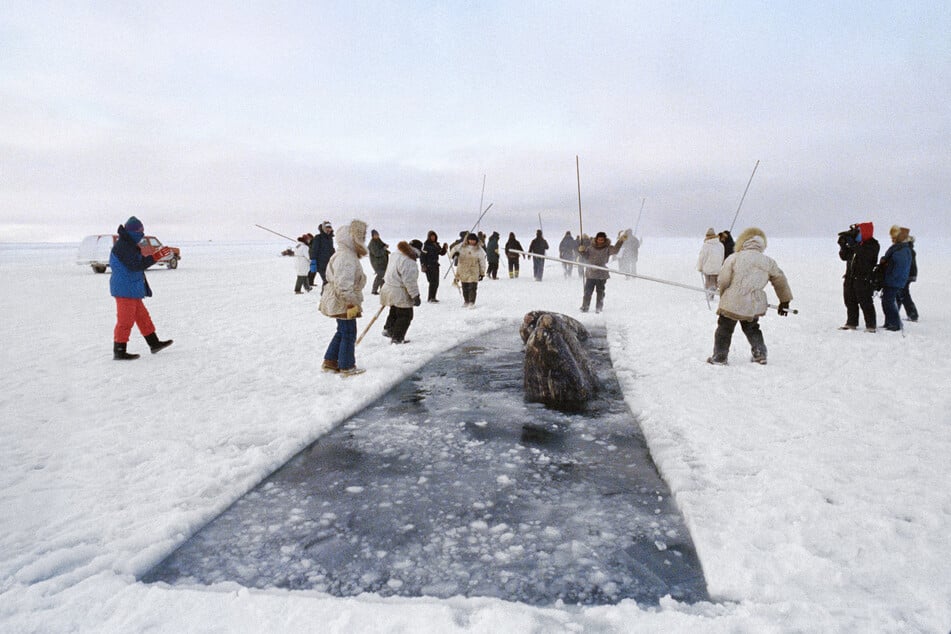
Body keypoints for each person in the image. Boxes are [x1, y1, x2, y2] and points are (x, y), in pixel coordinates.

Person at [707, 227, 792, 366]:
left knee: (724, 328)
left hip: (733, 301)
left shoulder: (734, 257)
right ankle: (760, 354)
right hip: (753, 303)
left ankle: (720, 357)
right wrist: (784, 301)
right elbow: (780, 280)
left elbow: (723, 279)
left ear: (743, 242)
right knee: (752, 328)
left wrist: (724, 294)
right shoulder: (768, 261)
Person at [109, 215, 174, 360]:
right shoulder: (123, 247)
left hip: (131, 288)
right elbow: (136, 266)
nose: (142, 235)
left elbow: (137, 263)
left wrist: (155, 256)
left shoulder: (128, 244)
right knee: (125, 321)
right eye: (140, 232)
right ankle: (119, 350)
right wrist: (156, 257)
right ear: (134, 232)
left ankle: (154, 343)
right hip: (124, 290)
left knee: (143, 318)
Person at [319, 219, 368, 376]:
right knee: (348, 333)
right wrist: (351, 303)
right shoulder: (346, 257)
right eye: (360, 237)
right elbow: (343, 286)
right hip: (343, 301)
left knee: (342, 331)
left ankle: (330, 361)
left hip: (341, 300)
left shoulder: (344, 255)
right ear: (351, 238)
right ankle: (347, 366)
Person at [836, 222, 879, 332]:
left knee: (865, 302)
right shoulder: (856, 244)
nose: (856, 235)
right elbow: (844, 257)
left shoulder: (873, 245)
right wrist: (843, 246)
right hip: (850, 277)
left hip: (863, 278)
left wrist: (852, 244)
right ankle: (851, 322)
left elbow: (865, 255)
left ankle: (871, 325)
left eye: (858, 232)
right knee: (850, 301)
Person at [380, 239, 422, 344]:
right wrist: (415, 295)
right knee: (405, 314)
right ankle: (397, 338)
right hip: (399, 290)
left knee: (395, 309)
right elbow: (409, 280)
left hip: (388, 287)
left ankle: (389, 329)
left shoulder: (395, 254)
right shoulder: (408, 261)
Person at [577, 230, 625, 313]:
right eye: (599, 240)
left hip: (601, 274)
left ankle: (599, 308)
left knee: (600, 292)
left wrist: (620, 241)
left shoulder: (608, 248)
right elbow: (586, 256)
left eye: (602, 240)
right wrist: (581, 251)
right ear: (596, 239)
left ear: (605, 240)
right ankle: (585, 307)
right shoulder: (590, 247)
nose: (600, 241)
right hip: (590, 273)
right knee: (587, 292)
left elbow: (616, 250)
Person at [877, 225, 913, 332]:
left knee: (888, 301)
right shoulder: (901, 248)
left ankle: (895, 324)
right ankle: (890, 322)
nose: (892, 239)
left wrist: (889, 273)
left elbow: (899, 267)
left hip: (894, 280)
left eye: (894, 237)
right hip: (893, 279)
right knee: (887, 301)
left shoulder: (901, 250)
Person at [451, 233, 487, 307]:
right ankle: (466, 301)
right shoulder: (461, 246)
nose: (472, 242)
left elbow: (482, 261)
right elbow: (453, 251)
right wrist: (455, 254)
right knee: (465, 287)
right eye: (470, 240)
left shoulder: (479, 249)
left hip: (474, 270)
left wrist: (482, 273)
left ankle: (471, 302)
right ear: (468, 240)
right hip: (463, 269)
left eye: (473, 240)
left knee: (472, 287)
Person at [697, 227, 724, 301]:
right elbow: (722, 256)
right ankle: (712, 292)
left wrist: (699, 267)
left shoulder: (706, 245)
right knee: (714, 282)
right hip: (718, 268)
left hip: (708, 268)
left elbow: (702, 257)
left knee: (708, 283)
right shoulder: (720, 245)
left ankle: (709, 296)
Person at [420, 230, 448, 303]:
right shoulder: (426, 245)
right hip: (429, 266)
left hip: (435, 265)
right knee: (432, 282)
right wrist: (423, 265)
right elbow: (422, 256)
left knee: (436, 282)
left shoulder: (436, 245)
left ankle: (433, 297)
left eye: (434, 236)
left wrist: (444, 248)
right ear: (429, 237)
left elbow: (441, 253)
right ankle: (430, 298)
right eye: (431, 236)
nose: (433, 238)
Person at [899, 234, 919, 322]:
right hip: (910, 274)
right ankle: (895, 312)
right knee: (901, 293)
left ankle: (913, 314)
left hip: (906, 275)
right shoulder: (910, 250)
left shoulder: (906, 250)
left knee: (903, 293)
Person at [310, 221, 335, 289]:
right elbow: (314, 250)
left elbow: (332, 250)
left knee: (330, 281)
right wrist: (313, 261)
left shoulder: (330, 238)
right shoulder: (318, 238)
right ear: (323, 228)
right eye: (327, 228)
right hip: (321, 264)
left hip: (329, 264)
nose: (329, 229)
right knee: (327, 281)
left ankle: (326, 296)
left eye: (330, 227)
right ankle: (325, 297)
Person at [368, 229, 389, 295]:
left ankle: (382, 290)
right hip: (377, 263)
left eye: (377, 234)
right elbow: (377, 253)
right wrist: (384, 249)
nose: (377, 236)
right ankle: (374, 290)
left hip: (383, 262)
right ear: (373, 236)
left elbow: (382, 246)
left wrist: (385, 248)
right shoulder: (372, 244)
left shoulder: (378, 240)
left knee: (383, 276)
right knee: (380, 275)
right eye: (376, 235)